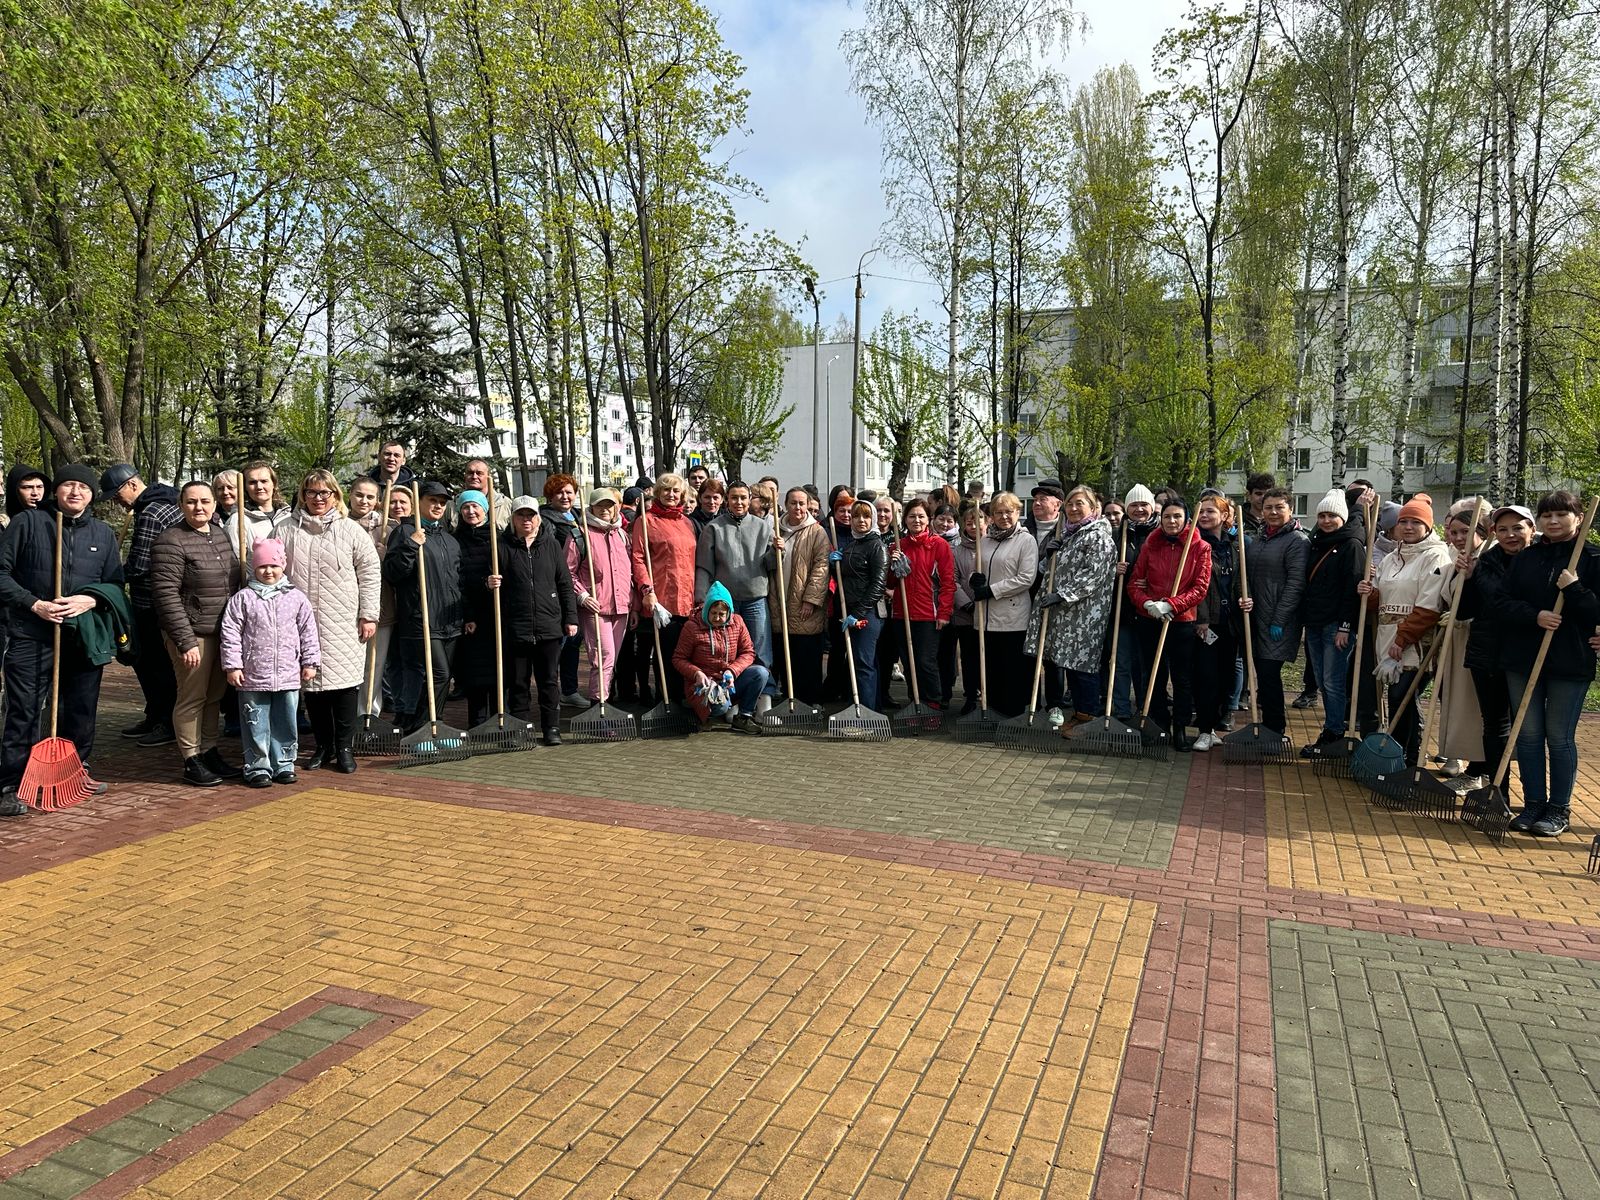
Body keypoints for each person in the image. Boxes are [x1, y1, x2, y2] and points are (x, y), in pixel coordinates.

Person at [0, 466, 126, 814]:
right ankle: (11, 782)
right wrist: (34, 604)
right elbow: (1, 573)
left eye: (83, 487)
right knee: (24, 710)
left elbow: (115, 584)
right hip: (31, 632)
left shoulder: (102, 533)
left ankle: (74, 771)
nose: (75, 492)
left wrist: (91, 599)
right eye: (68, 485)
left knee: (81, 708)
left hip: (82, 635)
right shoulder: (29, 523)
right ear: (55, 490)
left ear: (92, 494)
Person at [1490, 490, 1599, 836]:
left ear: (1578, 518)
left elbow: (1597, 613)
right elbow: (1501, 603)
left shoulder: (1593, 558)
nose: (1553, 521)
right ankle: (1534, 803)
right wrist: (1535, 615)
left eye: (1561, 515)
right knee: (1528, 734)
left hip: (1571, 660)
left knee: (1559, 736)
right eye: (1547, 515)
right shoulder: (1527, 558)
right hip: (1523, 658)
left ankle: (1558, 808)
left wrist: (1575, 589)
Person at [283, 470, 381, 769]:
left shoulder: (350, 530)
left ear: (335, 496)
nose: (318, 498)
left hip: (343, 621)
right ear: (303, 495)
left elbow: (370, 572)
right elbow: (268, 568)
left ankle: (344, 747)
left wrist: (368, 615)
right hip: (302, 623)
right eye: (312, 492)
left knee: (345, 686)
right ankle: (323, 746)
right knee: (312, 687)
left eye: (325, 492)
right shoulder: (285, 530)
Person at [149, 481, 242, 787]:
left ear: (214, 504)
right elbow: (166, 595)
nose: (198, 507)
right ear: (181, 505)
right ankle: (191, 758)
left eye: (204, 501)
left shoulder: (219, 534)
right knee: (192, 697)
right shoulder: (171, 540)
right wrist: (185, 641)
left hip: (221, 632)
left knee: (214, 696)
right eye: (191, 502)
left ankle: (209, 750)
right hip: (193, 634)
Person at [1358, 492, 1451, 768]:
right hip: (1388, 639)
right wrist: (1368, 593)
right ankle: (1402, 758)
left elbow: (1429, 606)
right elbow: (1382, 599)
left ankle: (1406, 759)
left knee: (1402, 696)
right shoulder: (1391, 558)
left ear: (1428, 526)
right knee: (1401, 699)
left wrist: (1403, 639)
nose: (1408, 527)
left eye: (1416, 522)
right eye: (1404, 522)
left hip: (1416, 643)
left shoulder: (1436, 556)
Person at [220, 539, 321, 787]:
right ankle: (257, 766)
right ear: (254, 568)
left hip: (287, 674)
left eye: (274, 566)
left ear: (282, 566)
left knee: (285, 721)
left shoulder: (296, 598)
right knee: (256, 723)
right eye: (262, 566)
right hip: (253, 676)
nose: (268, 571)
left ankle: (284, 764)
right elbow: (230, 633)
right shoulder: (243, 599)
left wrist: (310, 662)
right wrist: (233, 665)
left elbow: (308, 632)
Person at [101, 462, 182, 747]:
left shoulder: (150, 512)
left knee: (152, 663)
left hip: (151, 601)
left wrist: (109, 578)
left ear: (132, 485)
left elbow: (139, 564)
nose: (117, 502)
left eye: (116, 495)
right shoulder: (167, 501)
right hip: (168, 598)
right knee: (158, 662)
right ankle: (156, 714)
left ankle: (165, 722)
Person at [1028, 485, 1115, 730]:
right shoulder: (1069, 535)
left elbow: (1093, 575)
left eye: (1080, 503)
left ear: (1093, 508)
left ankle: (1087, 718)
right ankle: (1079, 715)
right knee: (1070, 666)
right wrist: (1049, 556)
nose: (1074, 508)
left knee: (1083, 667)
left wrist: (1061, 595)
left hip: (1085, 616)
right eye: (1070, 504)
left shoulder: (1098, 536)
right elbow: (1051, 571)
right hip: (1066, 617)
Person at [1458, 504, 1533, 785]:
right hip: (1488, 655)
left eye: (1517, 528)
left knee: (1529, 728)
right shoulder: (1485, 564)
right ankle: (1497, 791)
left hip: (1528, 655)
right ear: (1494, 532)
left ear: (1531, 529)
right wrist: (1467, 580)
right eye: (1503, 529)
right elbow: (1464, 612)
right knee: (1495, 725)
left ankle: (1534, 796)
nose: (1510, 535)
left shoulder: (1542, 562)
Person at [1128, 497, 1212, 749]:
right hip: (1150, 619)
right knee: (1153, 674)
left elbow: (1200, 588)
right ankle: (1159, 724)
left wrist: (1171, 605)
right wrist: (1147, 604)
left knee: (1181, 677)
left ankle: (1180, 727)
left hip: (1181, 621)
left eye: (1177, 516)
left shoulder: (1200, 547)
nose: (1172, 521)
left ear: (1186, 519)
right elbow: (1134, 583)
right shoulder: (1151, 545)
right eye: (1167, 516)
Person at [384, 480, 461, 737]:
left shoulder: (449, 540)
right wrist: (411, 545)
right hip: (421, 617)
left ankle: (423, 726)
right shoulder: (406, 533)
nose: (438, 506)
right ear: (419, 503)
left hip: (449, 620)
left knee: (440, 677)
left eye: (442, 502)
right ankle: (425, 727)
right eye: (432, 500)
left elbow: (457, 580)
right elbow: (393, 573)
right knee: (440, 674)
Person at [696, 481, 779, 712]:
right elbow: (704, 567)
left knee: (761, 651)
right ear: (727, 500)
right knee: (728, 653)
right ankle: (732, 700)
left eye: (743, 497)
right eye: (734, 497)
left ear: (750, 499)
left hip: (755, 598)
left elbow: (771, 565)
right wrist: (701, 599)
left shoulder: (763, 527)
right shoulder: (714, 528)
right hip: (725, 603)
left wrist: (776, 552)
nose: (739, 502)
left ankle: (764, 701)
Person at [501, 496, 578, 743]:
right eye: (521, 515)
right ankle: (520, 728)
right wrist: (488, 583)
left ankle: (551, 728)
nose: (526, 520)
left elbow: (565, 583)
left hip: (549, 624)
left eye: (531, 515)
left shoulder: (551, 545)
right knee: (518, 682)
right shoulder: (501, 546)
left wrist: (571, 617)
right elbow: (490, 582)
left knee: (549, 681)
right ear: (513, 518)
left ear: (539, 518)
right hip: (517, 625)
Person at [1237, 487, 1308, 741]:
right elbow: (1247, 576)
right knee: (1263, 675)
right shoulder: (1260, 538)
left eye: (1279, 507)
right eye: (1268, 507)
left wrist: (1279, 619)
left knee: (1268, 674)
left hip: (1279, 621)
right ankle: (1267, 727)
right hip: (1256, 618)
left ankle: (1275, 729)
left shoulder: (1297, 541)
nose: (1273, 512)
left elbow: (1296, 584)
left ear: (1291, 508)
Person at [1298, 489, 1364, 754]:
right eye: (1322, 516)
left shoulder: (1351, 545)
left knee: (1333, 681)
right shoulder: (1317, 542)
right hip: (1314, 622)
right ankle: (1331, 726)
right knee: (1322, 680)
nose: (1326, 521)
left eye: (1332, 516)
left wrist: (1345, 626)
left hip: (1335, 625)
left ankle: (1335, 732)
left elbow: (1351, 589)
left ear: (1343, 518)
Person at [966, 491, 1038, 717]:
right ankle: (993, 711)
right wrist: (974, 580)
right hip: (985, 617)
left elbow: (1026, 578)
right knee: (991, 668)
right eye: (999, 512)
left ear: (1017, 512)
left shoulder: (1025, 541)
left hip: (1011, 617)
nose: (1004, 516)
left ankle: (1013, 712)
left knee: (1011, 669)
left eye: (1009, 512)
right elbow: (975, 570)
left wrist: (991, 590)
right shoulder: (985, 540)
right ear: (992, 516)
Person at [880, 497, 955, 713]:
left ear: (928, 519)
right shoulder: (898, 546)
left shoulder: (938, 545)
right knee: (909, 662)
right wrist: (893, 566)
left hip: (928, 614)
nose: (917, 520)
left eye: (921, 516)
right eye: (912, 516)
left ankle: (932, 703)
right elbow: (890, 583)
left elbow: (948, 582)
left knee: (924, 661)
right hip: (901, 613)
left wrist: (944, 613)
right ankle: (915, 703)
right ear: (905, 519)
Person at [629, 473, 697, 704]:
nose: (671, 494)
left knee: (682, 655)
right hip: (661, 599)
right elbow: (638, 558)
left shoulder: (686, 523)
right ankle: (665, 701)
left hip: (686, 599)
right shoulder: (646, 521)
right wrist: (647, 590)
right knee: (665, 654)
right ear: (658, 493)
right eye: (666, 490)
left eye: (676, 491)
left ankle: (680, 700)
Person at [1431, 501, 1488, 777]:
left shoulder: (1487, 558)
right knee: (1453, 702)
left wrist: (1472, 574)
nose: (1458, 537)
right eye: (1453, 532)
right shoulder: (1455, 560)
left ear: (1481, 532)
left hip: (1477, 641)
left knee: (1473, 705)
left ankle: (1479, 769)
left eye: (1465, 531)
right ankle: (1454, 757)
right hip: (1454, 641)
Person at [674, 581, 768, 734]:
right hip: (703, 684)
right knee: (721, 707)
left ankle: (744, 716)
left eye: (721, 614)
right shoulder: (692, 627)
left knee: (760, 673)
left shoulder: (737, 622)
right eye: (713, 613)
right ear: (706, 610)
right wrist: (696, 673)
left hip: (728, 681)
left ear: (728, 613)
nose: (717, 618)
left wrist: (732, 671)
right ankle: (704, 714)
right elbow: (678, 659)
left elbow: (748, 652)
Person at [567, 488, 632, 705]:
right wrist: (583, 595)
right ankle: (599, 704)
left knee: (611, 660)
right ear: (591, 508)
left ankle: (605, 703)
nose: (605, 509)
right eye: (600, 505)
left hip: (621, 607)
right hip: (595, 608)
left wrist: (632, 604)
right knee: (603, 657)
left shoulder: (621, 535)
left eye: (609, 505)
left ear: (616, 508)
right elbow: (568, 572)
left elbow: (629, 572)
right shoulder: (580, 534)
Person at [772, 486, 831, 706]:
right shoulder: (776, 529)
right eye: (793, 503)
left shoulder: (816, 532)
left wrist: (810, 600)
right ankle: (789, 700)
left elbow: (821, 567)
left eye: (802, 503)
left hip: (804, 604)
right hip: (779, 602)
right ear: (785, 505)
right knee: (784, 655)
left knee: (806, 656)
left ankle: (810, 702)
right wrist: (773, 550)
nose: (797, 507)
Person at [1191, 494, 1239, 752]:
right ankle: (1204, 729)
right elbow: (1195, 585)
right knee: (1206, 677)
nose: (1205, 516)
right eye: (1202, 512)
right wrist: (1202, 619)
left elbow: (1240, 580)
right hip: (1206, 623)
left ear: (1224, 515)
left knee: (1225, 677)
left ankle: (1213, 727)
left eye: (1211, 511)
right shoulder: (1195, 544)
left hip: (1229, 622)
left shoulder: (1234, 546)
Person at [453, 489, 501, 729]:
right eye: (465, 507)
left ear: (485, 509)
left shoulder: (498, 537)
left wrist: (494, 583)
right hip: (471, 616)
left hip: (497, 614)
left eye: (475, 506)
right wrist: (468, 614)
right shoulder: (455, 540)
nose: (471, 511)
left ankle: (498, 719)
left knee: (498, 671)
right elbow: (457, 580)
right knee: (475, 674)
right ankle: (477, 723)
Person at [1110, 484, 1159, 719]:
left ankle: (1145, 708)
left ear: (1152, 507)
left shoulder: (1159, 534)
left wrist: (1151, 579)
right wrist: (1113, 570)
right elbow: (1099, 568)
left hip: (1150, 611)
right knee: (1121, 663)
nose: (1139, 509)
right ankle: (1121, 709)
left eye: (1143, 505)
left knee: (1146, 664)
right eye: (1134, 505)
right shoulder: (1117, 534)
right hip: (1123, 609)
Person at [836, 500, 889, 706]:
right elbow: (847, 579)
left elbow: (878, 585)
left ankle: (866, 711)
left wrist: (857, 614)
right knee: (862, 661)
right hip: (851, 609)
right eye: (856, 516)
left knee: (863, 663)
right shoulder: (852, 545)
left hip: (868, 613)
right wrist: (835, 565)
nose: (861, 520)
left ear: (873, 519)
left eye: (866, 516)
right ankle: (870, 708)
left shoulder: (877, 547)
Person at [539, 473, 586, 706]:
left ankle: (570, 690)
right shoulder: (546, 520)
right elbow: (546, 554)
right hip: (557, 588)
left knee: (573, 642)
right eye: (559, 492)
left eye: (569, 492)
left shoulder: (578, 516)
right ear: (550, 496)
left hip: (576, 587)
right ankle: (552, 693)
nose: (565, 496)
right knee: (558, 644)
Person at [240, 460, 289, 542]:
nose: (259, 487)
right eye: (252, 482)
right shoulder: (239, 520)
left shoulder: (287, 516)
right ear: (245, 487)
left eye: (264, 481)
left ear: (274, 484)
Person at [1242, 472, 1275, 538]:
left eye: (1267, 494)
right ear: (1249, 495)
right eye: (1259, 494)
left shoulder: (1277, 520)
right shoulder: (1237, 520)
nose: (1263, 498)